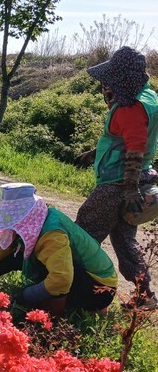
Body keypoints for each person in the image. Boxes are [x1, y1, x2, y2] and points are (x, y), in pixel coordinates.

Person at [75, 46, 158, 309]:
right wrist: (93, 153)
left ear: (121, 79)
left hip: (118, 182)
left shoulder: (130, 108)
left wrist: (130, 188)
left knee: (83, 232)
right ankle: (144, 297)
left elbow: (135, 147)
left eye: (109, 79)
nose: (104, 85)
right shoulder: (148, 96)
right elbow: (129, 138)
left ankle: (69, 291)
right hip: (137, 175)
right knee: (124, 240)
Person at [0, 183, 117, 318]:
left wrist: (26, 296)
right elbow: (1, 246)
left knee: (53, 284)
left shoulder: (53, 234)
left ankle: (54, 318)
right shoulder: (35, 223)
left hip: (98, 287)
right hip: (77, 275)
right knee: (17, 250)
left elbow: (61, 279)